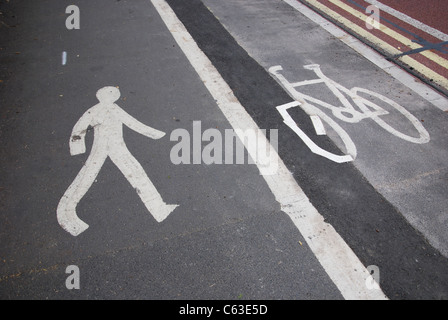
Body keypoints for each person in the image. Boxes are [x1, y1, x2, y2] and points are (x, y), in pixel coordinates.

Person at [57, 86, 178, 236]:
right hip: (100, 148)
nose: (114, 95)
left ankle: (159, 209)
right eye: (111, 93)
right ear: (102, 96)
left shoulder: (115, 109)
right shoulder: (95, 110)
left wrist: (154, 134)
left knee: (136, 171)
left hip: (117, 147)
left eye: (114, 93)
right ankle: (69, 217)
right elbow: (79, 129)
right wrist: (77, 147)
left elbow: (132, 123)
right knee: (85, 178)